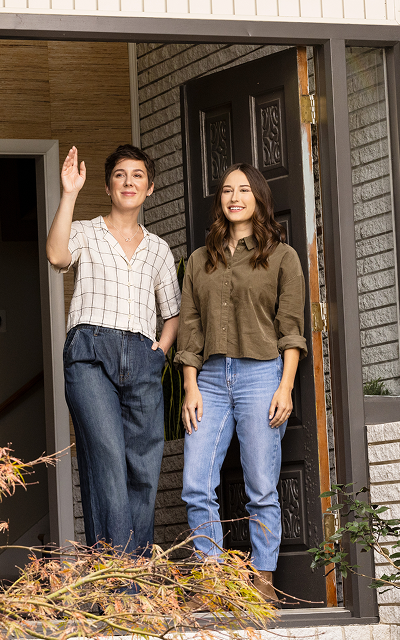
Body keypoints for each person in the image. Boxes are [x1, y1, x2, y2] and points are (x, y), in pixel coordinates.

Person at [175, 163, 307, 601]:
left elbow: (291, 329)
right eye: (228, 190)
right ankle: (212, 580)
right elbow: (190, 330)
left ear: (259, 199)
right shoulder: (199, 260)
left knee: (261, 486)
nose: (235, 197)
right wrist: (190, 386)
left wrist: (285, 386)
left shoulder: (282, 257)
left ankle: (263, 581)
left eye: (244, 189)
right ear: (221, 201)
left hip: (261, 375)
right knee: (196, 482)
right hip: (209, 379)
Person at [46, 144, 181, 555]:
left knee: (143, 467)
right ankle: (123, 586)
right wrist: (68, 192)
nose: (129, 182)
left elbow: (172, 312)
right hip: (90, 353)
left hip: (142, 356)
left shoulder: (158, 249)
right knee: (106, 458)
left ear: (150, 188)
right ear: (107, 186)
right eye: (120, 175)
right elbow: (56, 255)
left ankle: (126, 574)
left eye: (138, 175)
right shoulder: (86, 231)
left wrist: (162, 348)